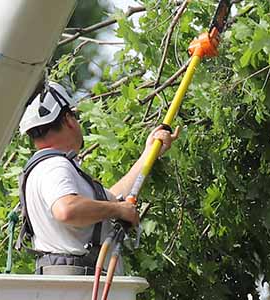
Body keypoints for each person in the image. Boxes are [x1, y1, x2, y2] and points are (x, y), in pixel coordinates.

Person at [18, 81, 179, 275]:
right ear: (69, 119)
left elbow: (112, 198)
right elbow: (67, 210)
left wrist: (149, 153)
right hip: (78, 288)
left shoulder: (44, 169)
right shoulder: (55, 166)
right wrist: (118, 210)